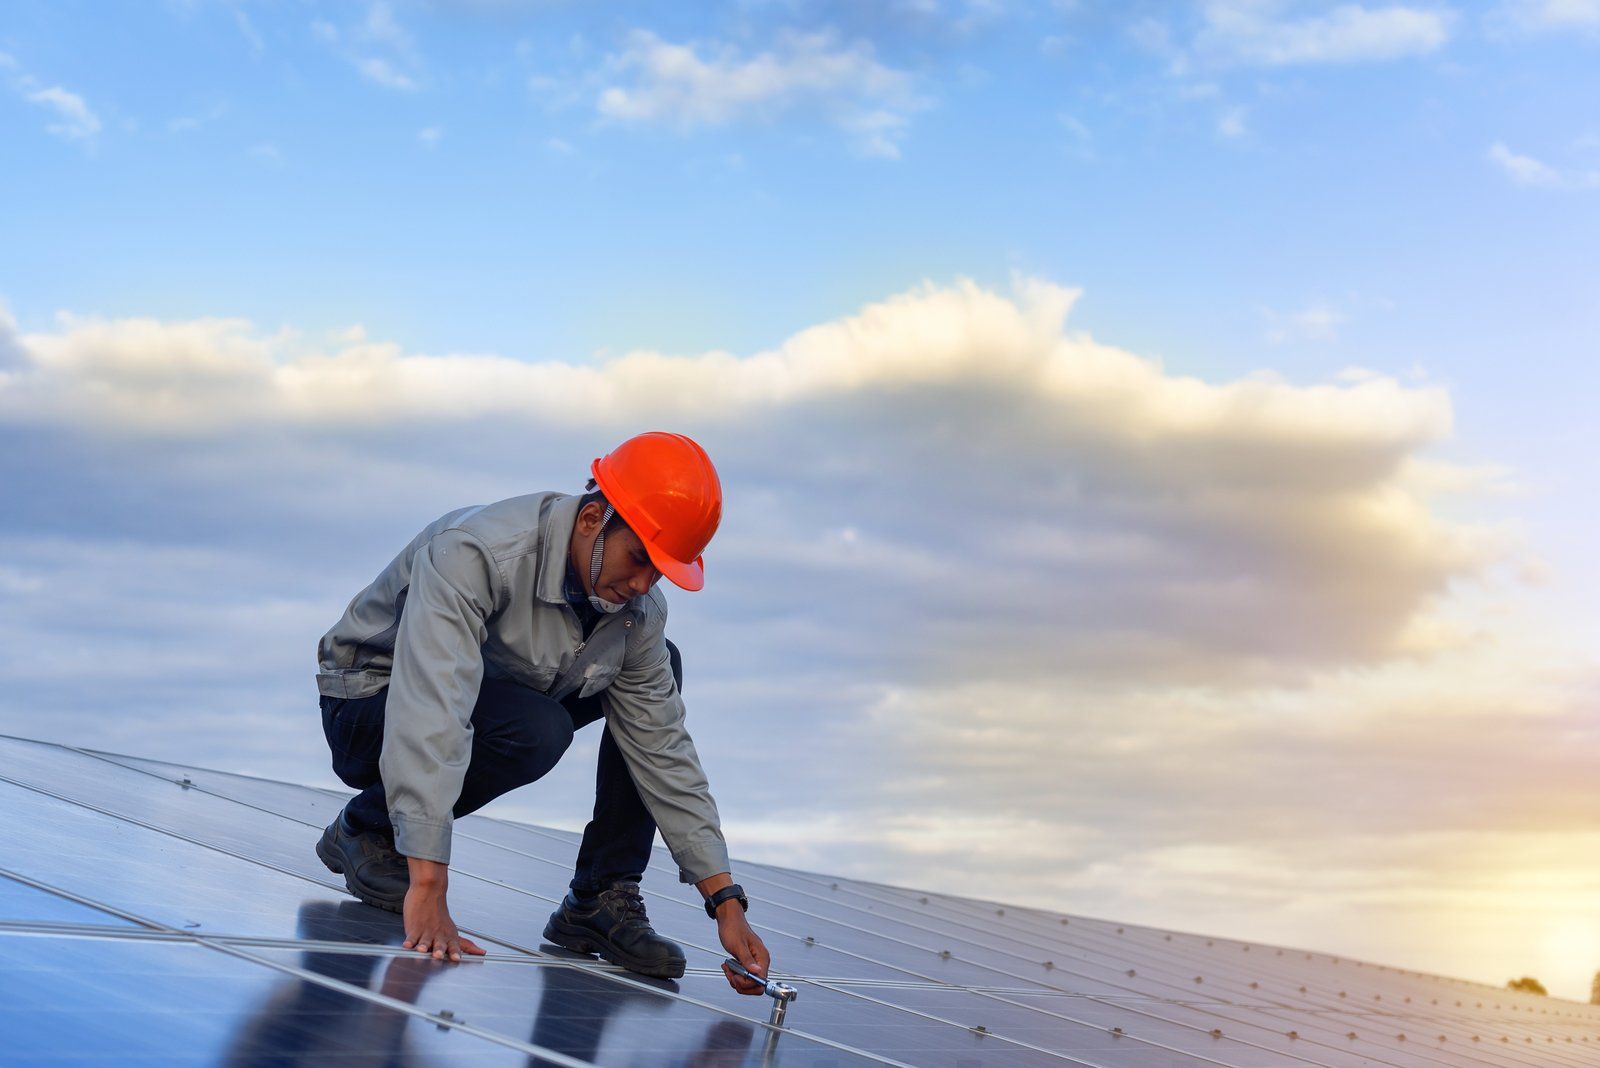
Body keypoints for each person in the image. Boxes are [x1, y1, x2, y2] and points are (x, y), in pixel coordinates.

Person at [311, 431, 771, 994]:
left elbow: (662, 746)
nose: (642, 585)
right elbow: (433, 700)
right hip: (369, 701)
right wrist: (427, 880)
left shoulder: (636, 614)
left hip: (488, 694)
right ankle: (367, 830)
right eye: (639, 559)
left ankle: (599, 899)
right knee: (537, 730)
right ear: (591, 520)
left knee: (659, 667)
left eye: (660, 572)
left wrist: (724, 901)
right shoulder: (479, 553)